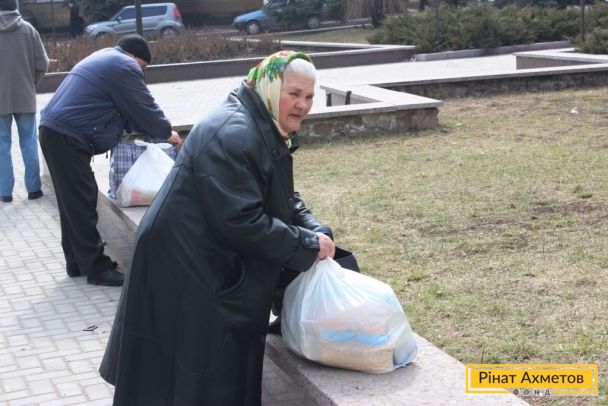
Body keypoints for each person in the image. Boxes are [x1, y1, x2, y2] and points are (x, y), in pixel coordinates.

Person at [99, 50, 335, 405]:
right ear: (271, 87)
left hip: (199, 260)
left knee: (188, 379)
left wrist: (313, 228)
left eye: (310, 96)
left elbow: (275, 195)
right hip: (183, 267)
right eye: (295, 94)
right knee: (184, 379)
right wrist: (306, 245)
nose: (303, 105)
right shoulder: (236, 133)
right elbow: (242, 220)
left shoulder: (260, 123)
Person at [39, 34, 182, 287]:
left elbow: (125, 110)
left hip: (54, 131)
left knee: (72, 201)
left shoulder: (106, 57)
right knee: (82, 200)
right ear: (134, 57)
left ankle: (76, 261)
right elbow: (143, 107)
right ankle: (97, 268)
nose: (142, 73)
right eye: (143, 67)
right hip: (66, 136)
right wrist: (165, 132)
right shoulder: (124, 66)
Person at [0, 0, 49, 203]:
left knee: (1, 146)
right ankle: (33, 189)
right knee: (29, 142)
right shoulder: (28, 30)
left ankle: (5, 192)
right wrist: (31, 82)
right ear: (16, 7)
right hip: (25, 96)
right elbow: (43, 63)